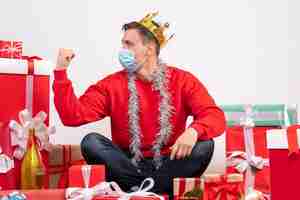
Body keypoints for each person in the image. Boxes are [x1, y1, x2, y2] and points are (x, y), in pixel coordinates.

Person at [53, 12, 226, 196]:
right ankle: (155, 189)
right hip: (128, 164)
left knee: (205, 145)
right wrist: (61, 71)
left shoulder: (183, 80)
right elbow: (72, 116)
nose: (122, 49)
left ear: (149, 49)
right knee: (91, 142)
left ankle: (141, 189)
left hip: (170, 161)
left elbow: (215, 116)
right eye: (122, 43)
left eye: (129, 44)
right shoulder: (111, 85)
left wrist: (193, 131)